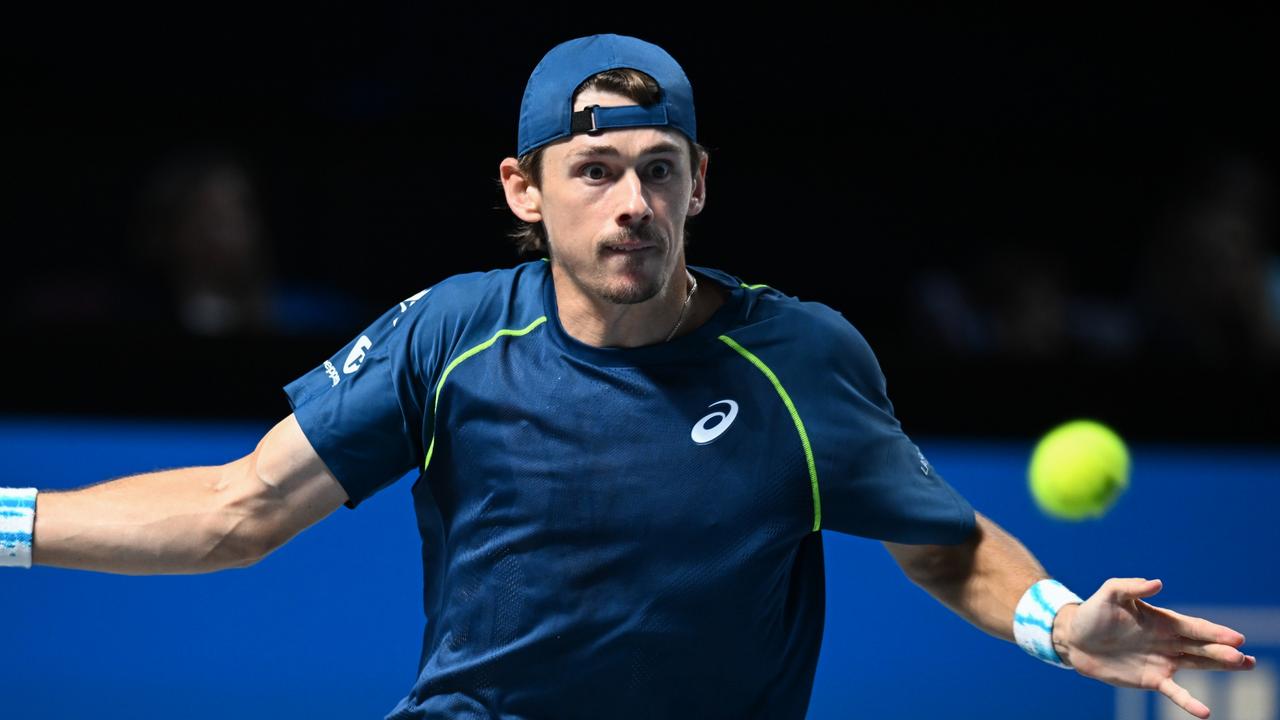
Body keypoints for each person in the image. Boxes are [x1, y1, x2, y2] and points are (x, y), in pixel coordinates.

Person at [1, 33, 1256, 720]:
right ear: (523, 188)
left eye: (661, 169)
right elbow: (236, 512)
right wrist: (8, 525)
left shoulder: (798, 357)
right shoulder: (450, 338)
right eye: (595, 172)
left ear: (699, 183)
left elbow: (939, 540)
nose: (633, 203)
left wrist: (1053, 626)